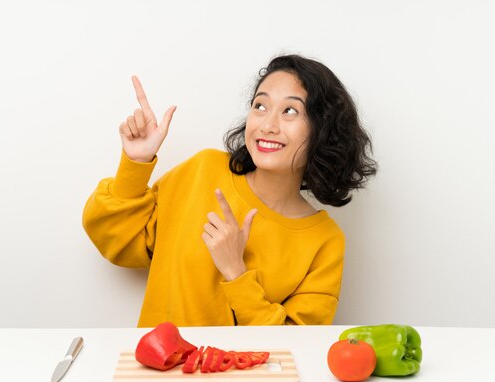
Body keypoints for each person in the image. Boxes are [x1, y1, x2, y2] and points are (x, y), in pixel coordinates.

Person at [83, 54, 377, 327]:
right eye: (260, 106)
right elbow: (118, 242)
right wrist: (136, 163)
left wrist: (236, 272)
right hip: (160, 375)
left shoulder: (324, 242)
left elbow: (296, 348)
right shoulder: (203, 170)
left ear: (322, 129)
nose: (268, 125)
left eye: (290, 111)